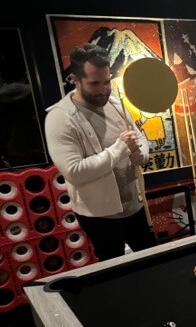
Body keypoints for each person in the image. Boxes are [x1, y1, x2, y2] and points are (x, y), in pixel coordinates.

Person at [44, 43, 156, 261]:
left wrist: (140, 153)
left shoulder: (114, 103)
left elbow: (140, 137)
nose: (104, 89)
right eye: (94, 83)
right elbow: (74, 172)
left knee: (152, 260)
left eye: (107, 81)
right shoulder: (59, 118)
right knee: (112, 269)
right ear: (75, 80)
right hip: (99, 215)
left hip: (134, 205)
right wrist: (120, 149)